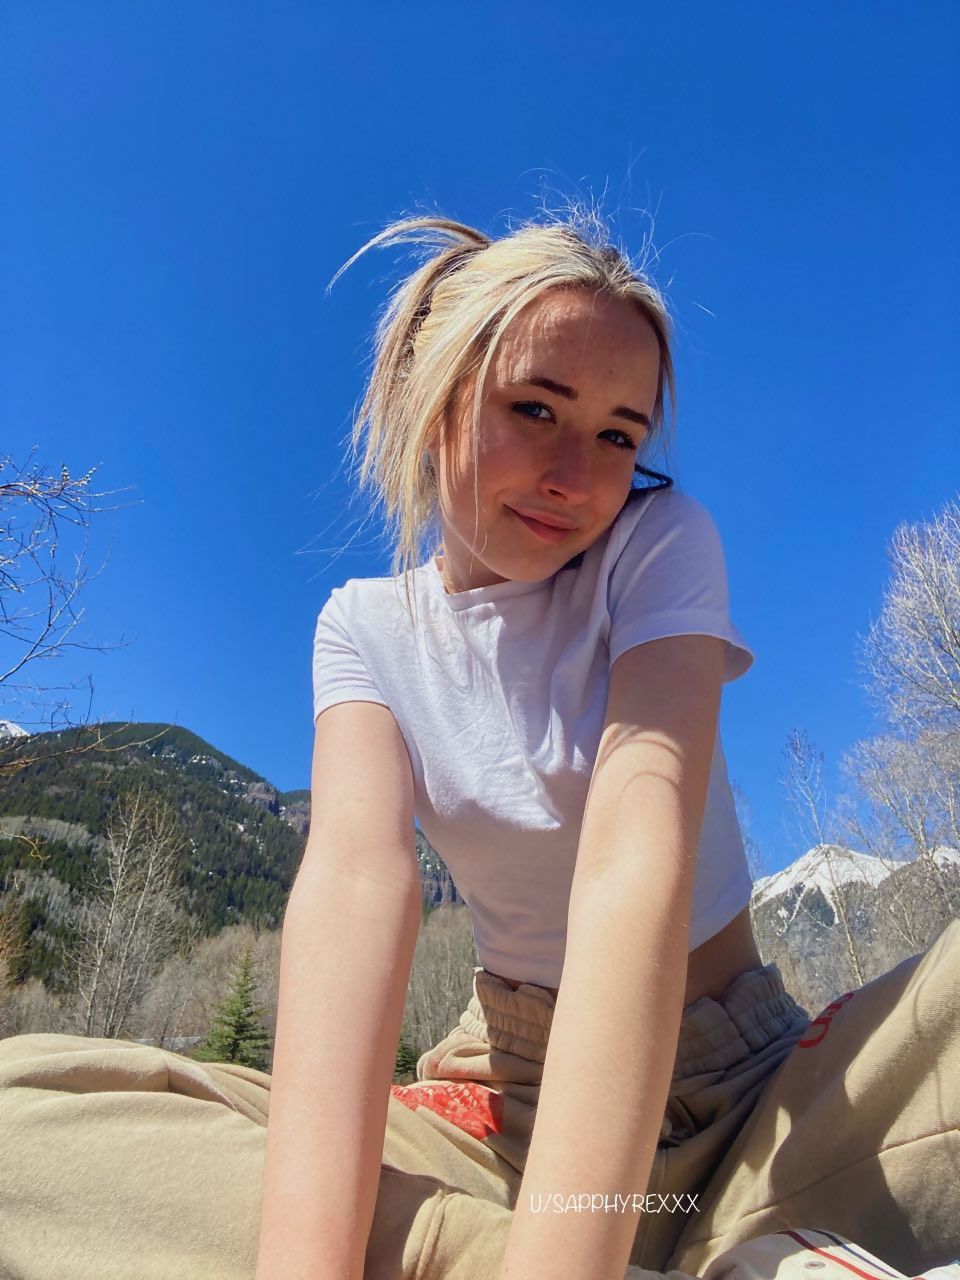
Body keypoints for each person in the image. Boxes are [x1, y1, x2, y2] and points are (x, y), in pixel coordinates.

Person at [0, 211, 956, 1280]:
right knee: (23, 1106)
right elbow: (355, 887)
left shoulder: (658, 542)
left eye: (619, 436)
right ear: (432, 398)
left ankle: (548, 1252)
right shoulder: (362, 629)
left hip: (754, 1097)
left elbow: (634, 857)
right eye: (534, 409)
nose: (575, 475)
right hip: (496, 1112)